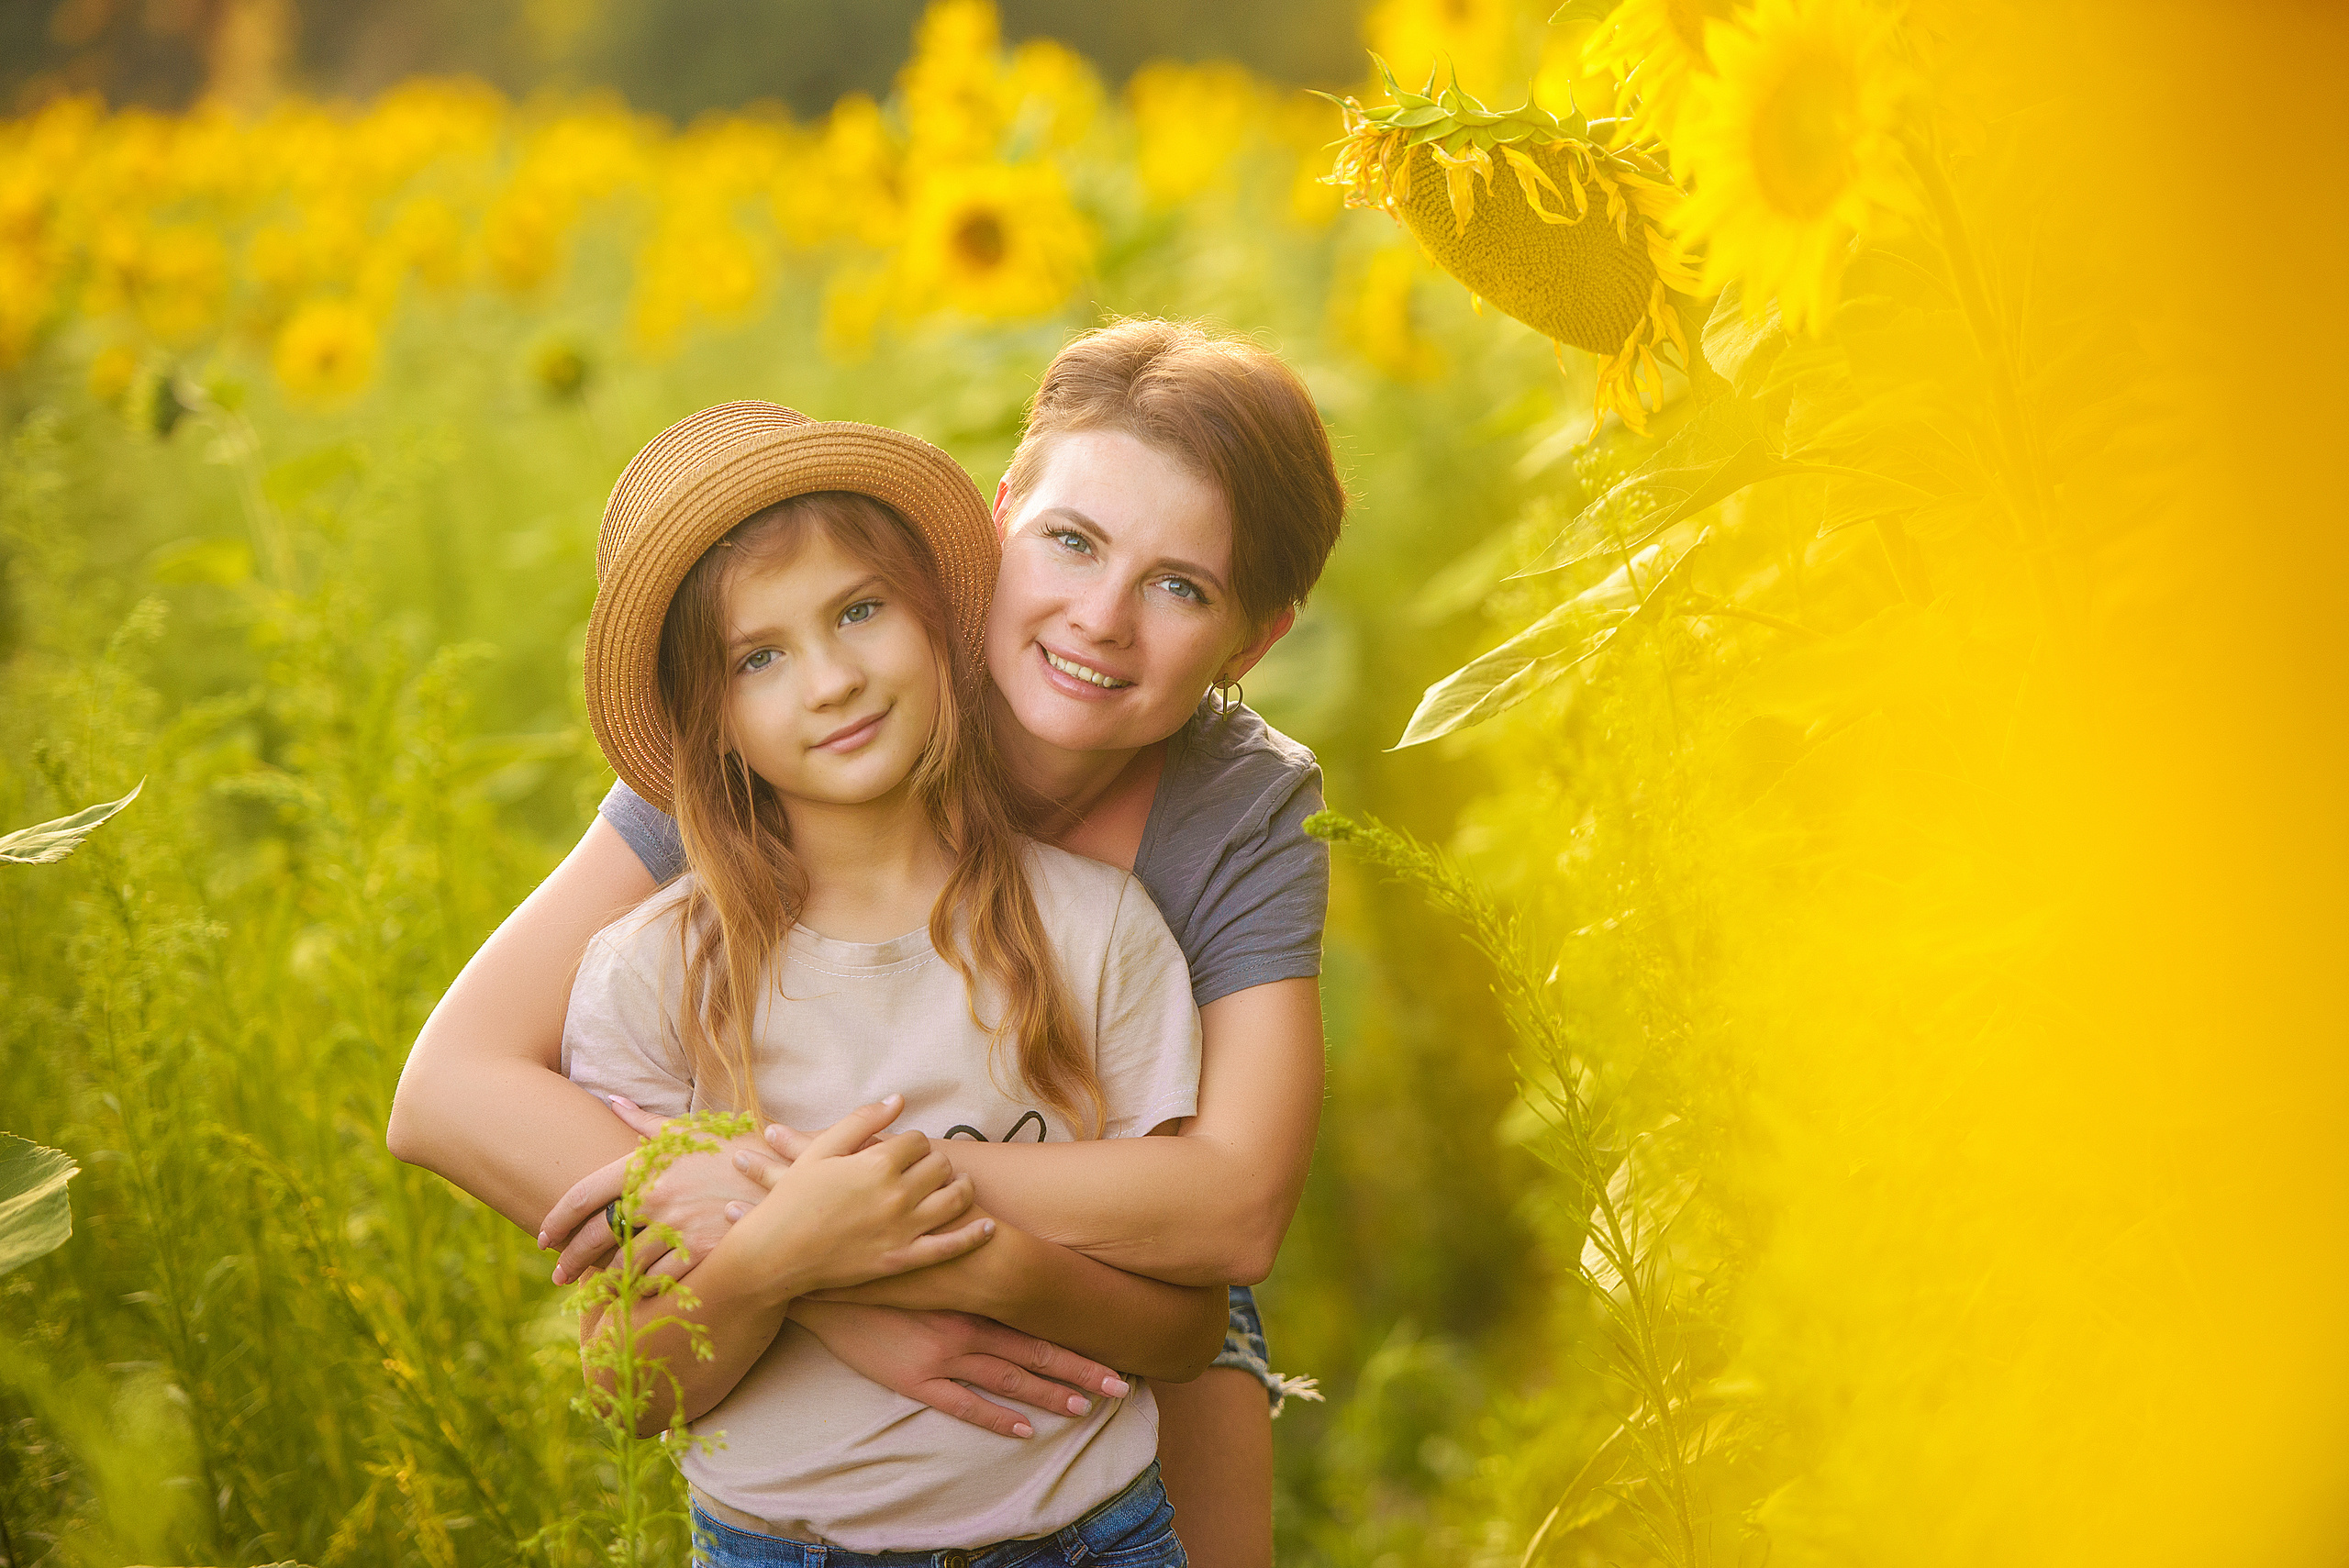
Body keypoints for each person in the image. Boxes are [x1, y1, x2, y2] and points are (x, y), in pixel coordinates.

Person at [388, 318, 1345, 1565]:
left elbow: (1228, 1207)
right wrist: (817, 1267)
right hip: (797, 1362)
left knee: (1208, 1404)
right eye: (1070, 541)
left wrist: (874, 1212)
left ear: (1252, 641)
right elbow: (449, 1087)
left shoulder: (1236, 805)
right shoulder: (826, 684)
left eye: (1182, 586)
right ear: (1002, 517)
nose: (1101, 617)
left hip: (1099, 1272)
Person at [562, 404, 1220, 1559]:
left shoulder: (1098, 928)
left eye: (859, 611)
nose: (830, 679)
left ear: (934, 620)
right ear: (713, 722)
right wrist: (781, 1253)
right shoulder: (651, 974)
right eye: (758, 656)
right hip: (785, 1544)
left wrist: (987, 1259)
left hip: (1091, 1534)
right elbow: (630, 1387)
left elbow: (1188, 1323)